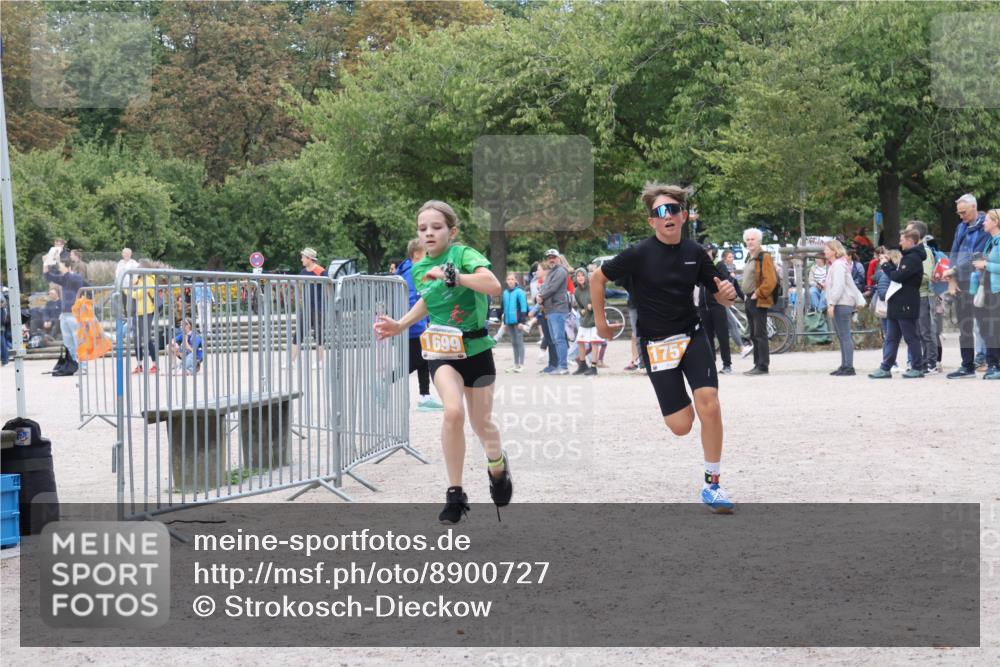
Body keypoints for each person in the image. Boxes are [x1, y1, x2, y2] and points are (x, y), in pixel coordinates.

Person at [591, 182, 738, 513]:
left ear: (683, 216)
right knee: (681, 425)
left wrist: (726, 295)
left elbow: (720, 294)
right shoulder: (638, 254)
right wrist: (601, 323)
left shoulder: (695, 253)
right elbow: (597, 278)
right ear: (652, 221)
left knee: (710, 404)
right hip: (657, 344)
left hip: (692, 335)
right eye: (660, 211)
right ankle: (680, 408)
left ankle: (712, 485)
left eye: (673, 209)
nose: (667, 215)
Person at [374, 200, 511, 523]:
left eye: (436, 227)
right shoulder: (419, 268)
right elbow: (429, 300)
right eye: (422, 229)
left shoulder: (463, 255)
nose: (429, 233)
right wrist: (400, 324)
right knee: (452, 411)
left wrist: (454, 275)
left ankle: (497, 466)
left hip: (477, 349)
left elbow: (492, 285)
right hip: (443, 351)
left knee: (482, 424)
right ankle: (455, 493)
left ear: (452, 231)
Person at [869, 229, 926, 379]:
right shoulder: (907, 257)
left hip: (906, 302)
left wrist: (885, 265)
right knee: (891, 337)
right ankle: (885, 367)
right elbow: (899, 274)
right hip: (896, 302)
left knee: (910, 336)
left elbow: (898, 277)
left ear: (910, 241)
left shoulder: (913, 258)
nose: (900, 243)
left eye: (902, 240)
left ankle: (917, 367)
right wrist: (889, 263)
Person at [943, 193, 989, 378]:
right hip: (960, 281)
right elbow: (954, 253)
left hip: (979, 280)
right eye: (959, 213)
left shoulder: (986, 225)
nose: (961, 216)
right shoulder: (961, 227)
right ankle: (967, 365)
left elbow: (977, 255)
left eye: (963, 212)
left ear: (974, 207)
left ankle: (991, 362)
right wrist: (951, 279)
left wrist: (953, 270)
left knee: (985, 324)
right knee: (965, 326)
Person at [396, 238, 444, 410]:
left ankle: (425, 397)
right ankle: (384, 382)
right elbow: (413, 299)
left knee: (424, 360)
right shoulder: (412, 272)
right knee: (416, 362)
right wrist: (418, 322)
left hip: (416, 325)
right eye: (426, 253)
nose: (429, 257)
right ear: (416, 255)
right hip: (413, 327)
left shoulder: (411, 270)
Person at [741, 227, 777, 375]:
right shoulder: (749, 257)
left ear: (759, 241)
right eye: (748, 239)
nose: (750, 242)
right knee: (754, 334)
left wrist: (758, 293)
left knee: (760, 334)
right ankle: (757, 364)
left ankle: (763, 366)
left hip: (758, 299)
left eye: (753, 239)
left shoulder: (764, 256)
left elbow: (771, 280)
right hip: (749, 298)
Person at [43, 259, 86, 377]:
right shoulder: (64, 278)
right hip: (64, 315)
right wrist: (45, 263)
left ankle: (83, 367)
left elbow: (69, 277)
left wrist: (58, 260)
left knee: (78, 342)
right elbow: (48, 277)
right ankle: (74, 364)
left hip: (74, 315)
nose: (59, 268)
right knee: (68, 344)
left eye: (61, 266)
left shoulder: (76, 277)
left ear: (68, 267)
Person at [971, 208, 1000, 379]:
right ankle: (992, 364)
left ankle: (995, 365)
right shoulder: (991, 241)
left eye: (987, 220)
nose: (983, 222)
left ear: (996, 222)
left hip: (997, 291)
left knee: (994, 329)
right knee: (986, 328)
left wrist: (986, 265)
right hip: (986, 288)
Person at [823, 240, 857, 376]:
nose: (824, 251)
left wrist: (832, 303)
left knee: (845, 335)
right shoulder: (837, 264)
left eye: (827, 249)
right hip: (840, 303)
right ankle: (844, 365)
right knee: (842, 335)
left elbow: (839, 286)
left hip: (841, 303)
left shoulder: (838, 265)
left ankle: (849, 366)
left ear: (834, 251)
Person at [698, 245, 733, 374]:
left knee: (722, 336)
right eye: (704, 252)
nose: (706, 254)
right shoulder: (700, 266)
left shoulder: (719, 265)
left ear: (713, 253)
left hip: (717, 305)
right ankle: (710, 364)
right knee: (707, 337)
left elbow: (725, 281)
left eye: (708, 252)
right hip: (703, 306)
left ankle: (727, 364)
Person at [291, 247, 328, 366]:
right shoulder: (303, 272)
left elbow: (328, 288)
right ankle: (291, 361)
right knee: (298, 333)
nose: (301, 259)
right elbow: (299, 285)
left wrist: (326, 304)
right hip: (306, 308)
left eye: (303, 257)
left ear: (309, 258)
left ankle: (320, 361)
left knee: (318, 335)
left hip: (318, 308)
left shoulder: (321, 271)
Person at [537, 249, 571, 375]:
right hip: (551, 310)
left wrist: (541, 296)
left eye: (553, 257)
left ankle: (563, 367)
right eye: (549, 258)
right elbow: (545, 287)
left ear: (558, 258)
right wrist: (539, 295)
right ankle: (558, 366)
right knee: (555, 339)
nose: (551, 259)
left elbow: (552, 288)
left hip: (558, 309)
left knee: (559, 339)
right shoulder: (552, 272)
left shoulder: (561, 271)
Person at [128, 261, 159, 374]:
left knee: (146, 337)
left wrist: (128, 292)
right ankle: (139, 364)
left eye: (139, 268)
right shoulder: (139, 279)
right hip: (137, 312)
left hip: (147, 311)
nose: (138, 270)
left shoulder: (149, 279)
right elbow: (133, 288)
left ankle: (155, 364)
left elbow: (140, 294)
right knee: (136, 338)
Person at [572, 267, 600, 375]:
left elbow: (602, 300)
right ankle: (583, 365)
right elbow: (579, 306)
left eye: (582, 275)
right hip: (584, 320)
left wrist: (592, 306)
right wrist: (581, 310)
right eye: (578, 276)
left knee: (594, 342)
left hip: (595, 319)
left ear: (586, 276)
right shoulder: (576, 291)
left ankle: (594, 367)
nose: (580, 277)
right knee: (580, 341)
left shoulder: (593, 287)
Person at [501, 272, 529, 372]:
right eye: (508, 279)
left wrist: (522, 321)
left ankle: (521, 365)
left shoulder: (520, 292)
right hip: (509, 321)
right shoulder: (505, 293)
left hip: (518, 321)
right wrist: (505, 322)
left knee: (519, 342)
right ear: (506, 281)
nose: (510, 281)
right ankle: (516, 364)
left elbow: (524, 307)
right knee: (513, 343)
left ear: (516, 280)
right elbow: (504, 308)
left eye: (512, 279)